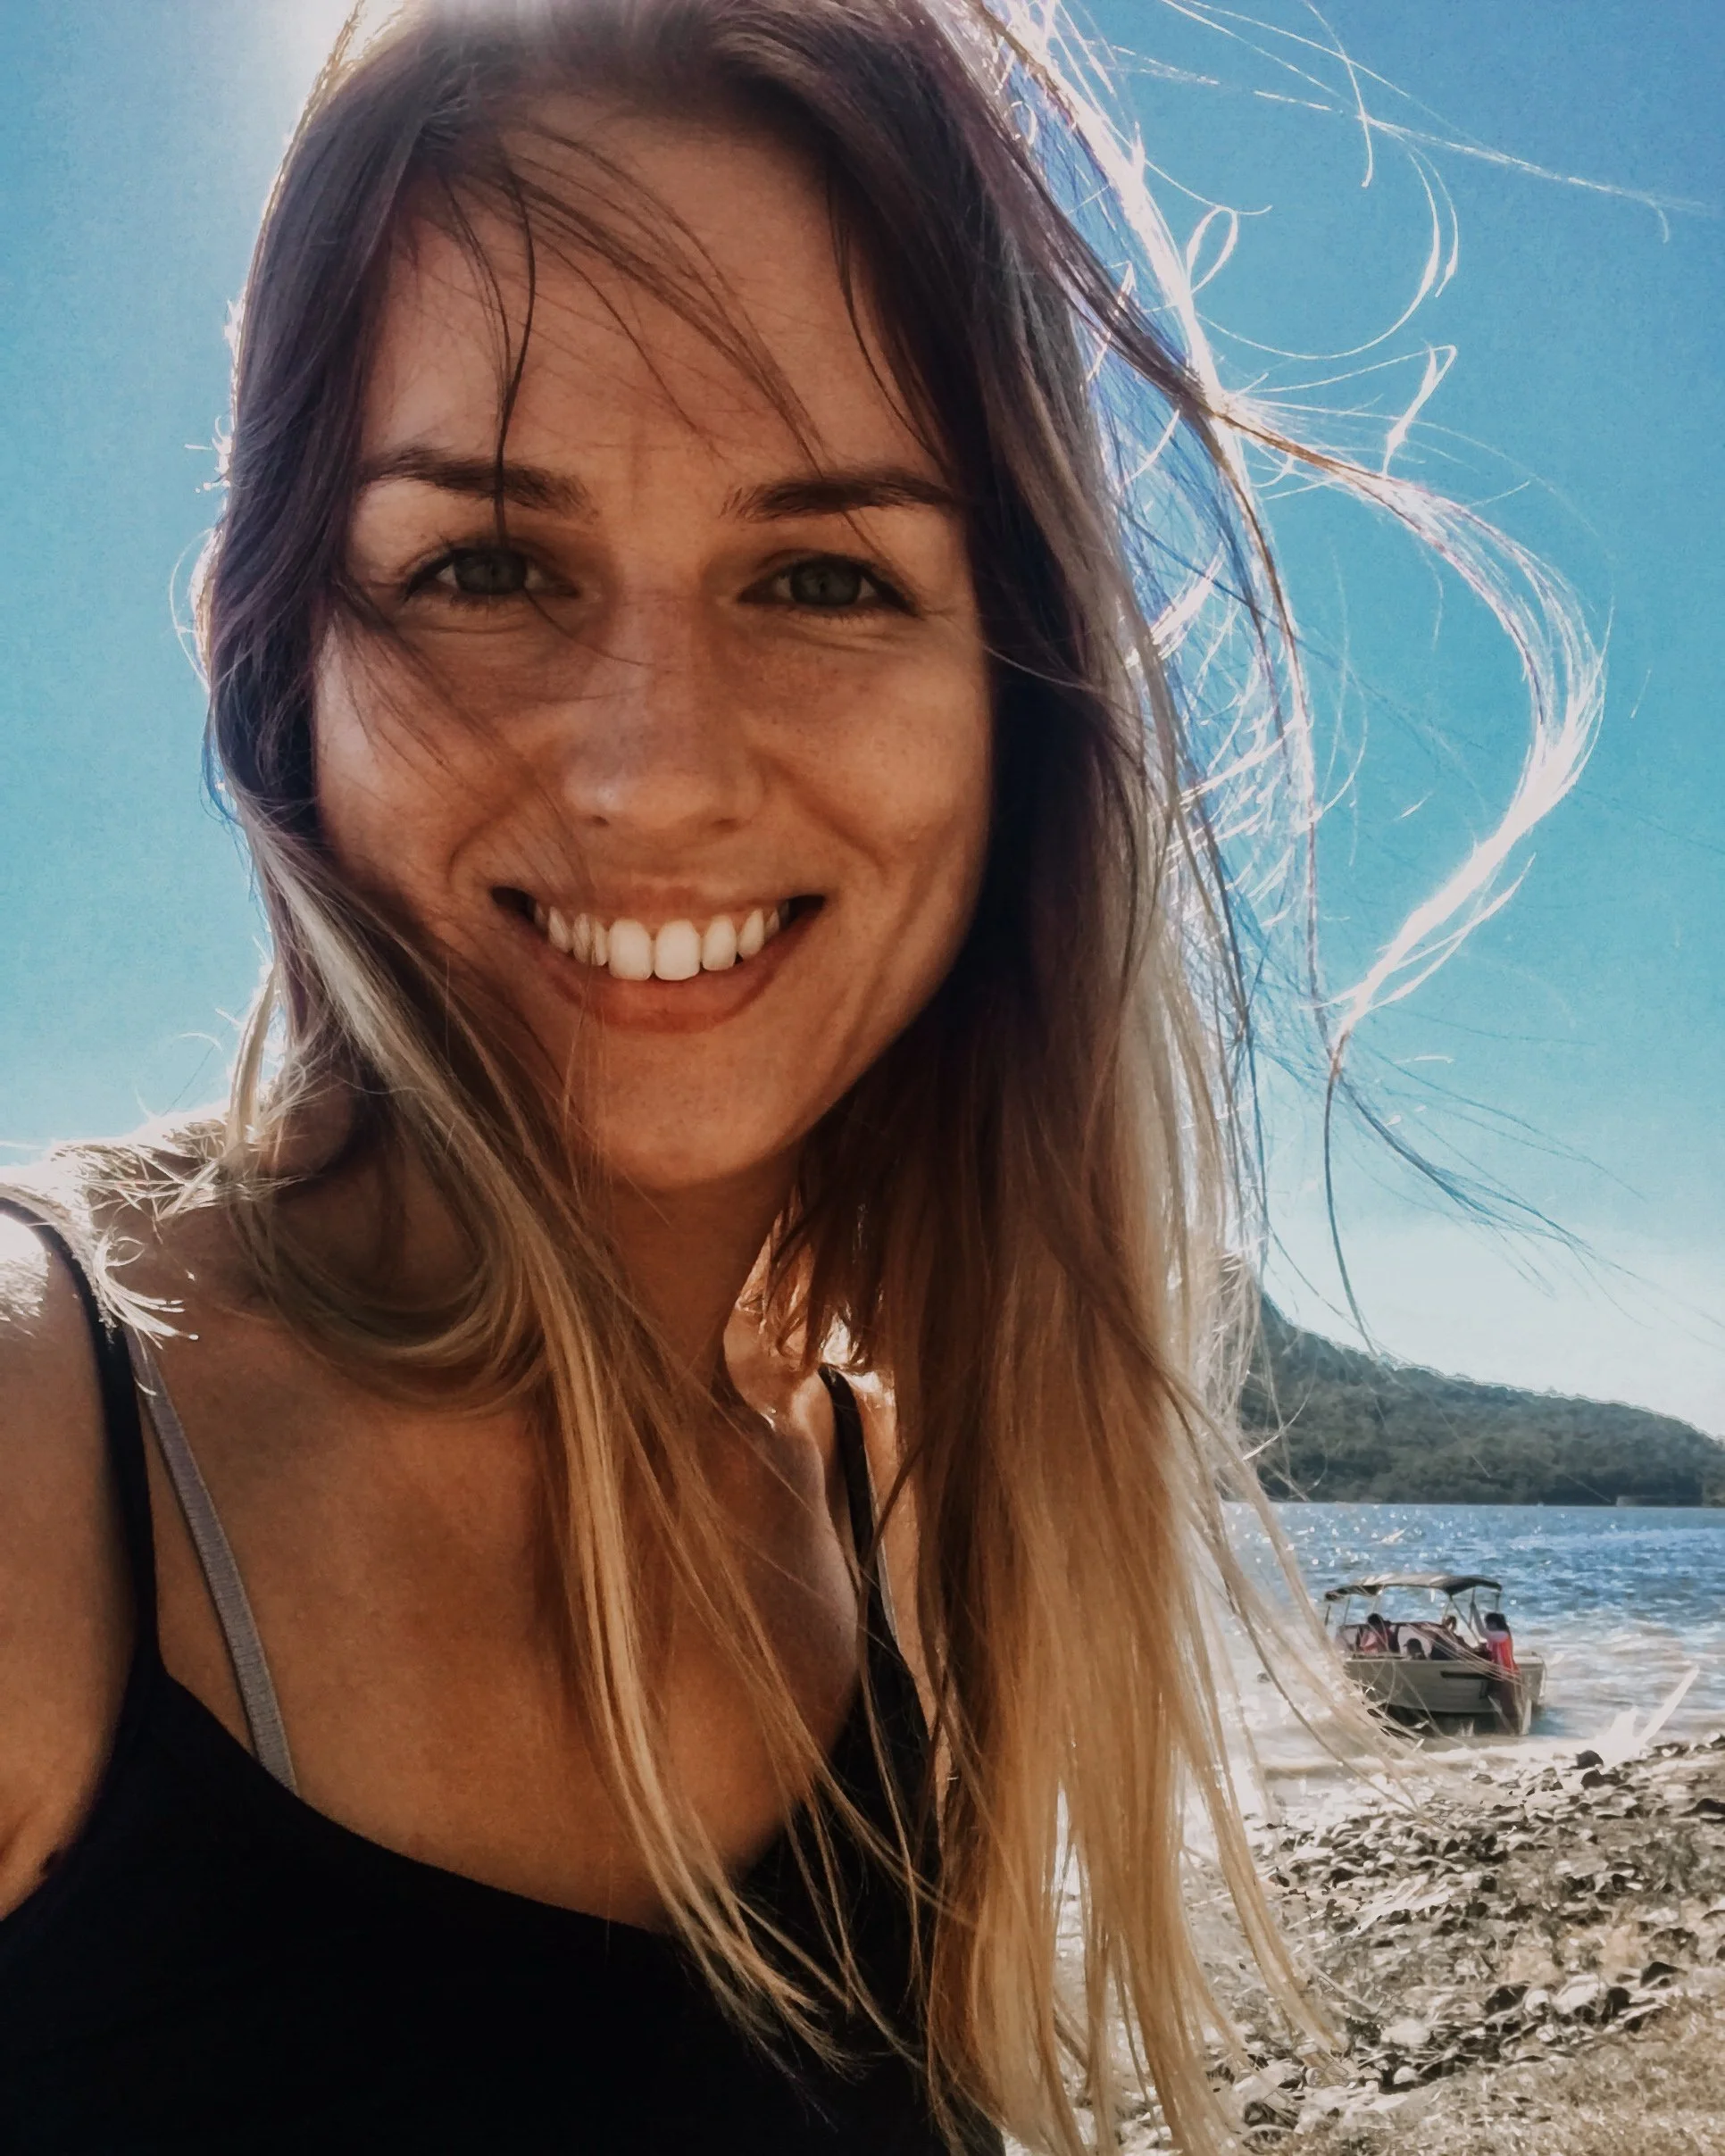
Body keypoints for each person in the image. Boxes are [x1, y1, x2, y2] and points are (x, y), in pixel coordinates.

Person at [0, 2, 1577, 2151]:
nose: (651, 774)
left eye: (828, 573)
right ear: (282, 660)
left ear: (1013, 702)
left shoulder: (908, 1517)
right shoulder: (39, 1464)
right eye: (484, 564)